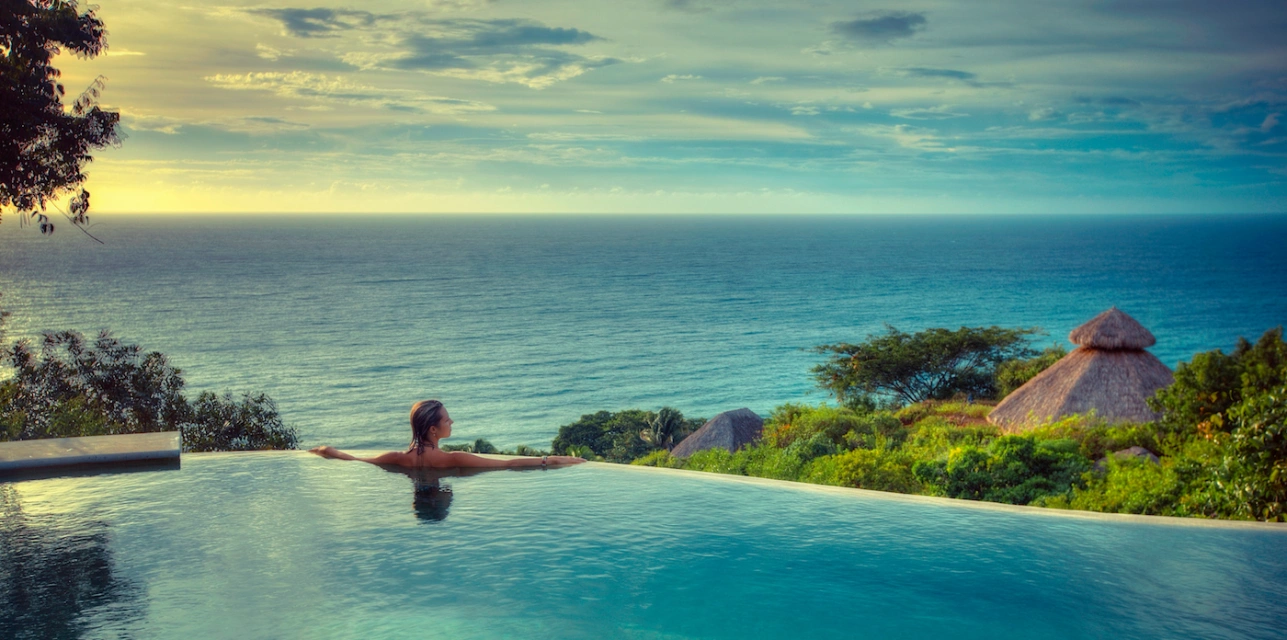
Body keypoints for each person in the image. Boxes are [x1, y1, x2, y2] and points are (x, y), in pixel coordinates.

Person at [309, 400, 586, 469]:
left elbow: (354, 460)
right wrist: (551, 460)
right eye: (446, 419)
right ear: (433, 429)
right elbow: (508, 464)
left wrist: (325, 450)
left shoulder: (397, 458)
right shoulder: (454, 459)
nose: (451, 422)